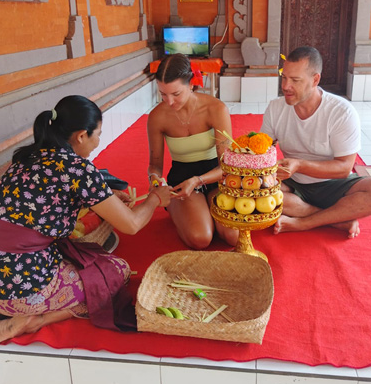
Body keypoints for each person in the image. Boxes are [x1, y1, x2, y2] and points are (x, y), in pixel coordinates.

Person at [0, 94, 172, 349]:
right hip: (17, 288)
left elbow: (43, 201)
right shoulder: (78, 169)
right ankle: (30, 321)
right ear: (82, 135)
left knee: (72, 262)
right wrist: (154, 199)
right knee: (115, 273)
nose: (98, 142)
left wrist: (106, 197)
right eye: (98, 134)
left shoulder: (26, 158)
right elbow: (132, 225)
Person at [262, 46, 371, 238]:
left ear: (315, 80)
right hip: (292, 184)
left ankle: (304, 222)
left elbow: (344, 168)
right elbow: (262, 150)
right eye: (284, 77)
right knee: (253, 189)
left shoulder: (341, 111)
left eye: (295, 80)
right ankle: (336, 219)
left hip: (334, 184)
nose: (286, 86)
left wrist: (299, 164)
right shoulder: (275, 108)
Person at [147, 53, 238, 249]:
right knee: (201, 238)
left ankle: (201, 209)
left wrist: (199, 180)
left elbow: (228, 166)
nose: (169, 101)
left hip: (216, 177)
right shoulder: (157, 116)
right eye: (163, 94)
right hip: (181, 180)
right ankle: (176, 207)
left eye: (176, 94)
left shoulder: (215, 109)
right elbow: (154, 165)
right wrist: (155, 181)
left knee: (233, 236)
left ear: (191, 84)